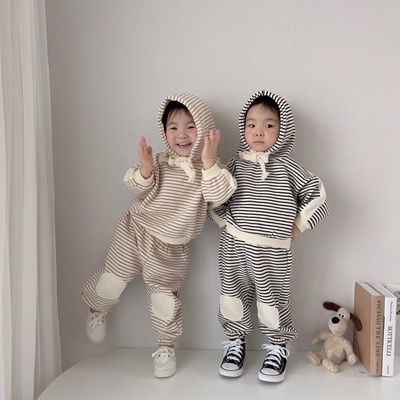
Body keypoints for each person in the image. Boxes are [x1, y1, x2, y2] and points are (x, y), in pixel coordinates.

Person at [81, 92, 236, 378]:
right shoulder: (161, 162)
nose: (182, 134)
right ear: (165, 133)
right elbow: (133, 186)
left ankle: (165, 347)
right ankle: (96, 309)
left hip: (171, 249)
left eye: (191, 126)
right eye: (173, 127)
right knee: (112, 279)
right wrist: (145, 170)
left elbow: (220, 195)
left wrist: (209, 161)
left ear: (204, 130)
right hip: (135, 231)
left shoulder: (211, 170)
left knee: (164, 299)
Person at [210, 90, 328, 383]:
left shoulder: (289, 168)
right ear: (243, 129)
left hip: (273, 251)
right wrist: (223, 222)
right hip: (234, 247)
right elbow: (215, 194)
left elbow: (317, 194)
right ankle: (235, 342)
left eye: (268, 125)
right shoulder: (235, 164)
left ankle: (277, 346)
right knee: (232, 295)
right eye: (251, 124)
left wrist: (298, 226)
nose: (258, 131)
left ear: (283, 129)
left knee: (272, 299)